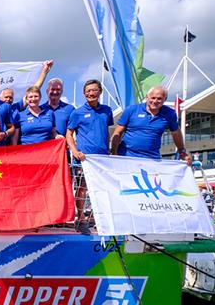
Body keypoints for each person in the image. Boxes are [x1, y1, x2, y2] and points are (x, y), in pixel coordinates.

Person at [66, 79, 114, 234]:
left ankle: (96, 219)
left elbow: (106, 132)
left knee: (101, 189)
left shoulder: (107, 110)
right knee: (82, 189)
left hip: (102, 158)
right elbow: (69, 134)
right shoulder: (77, 112)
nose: (91, 93)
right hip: (84, 158)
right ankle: (80, 219)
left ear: (100, 92)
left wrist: (109, 150)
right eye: (88, 91)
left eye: (94, 90)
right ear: (84, 94)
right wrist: (74, 151)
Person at [110, 86, 190, 163]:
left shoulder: (170, 113)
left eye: (159, 99)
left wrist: (182, 152)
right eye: (153, 98)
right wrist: (114, 152)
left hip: (152, 159)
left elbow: (176, 133)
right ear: (147, 97)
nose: (155, 101)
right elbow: (117, 133)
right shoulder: (131, 110)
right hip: (126, 156)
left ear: (164, 99)